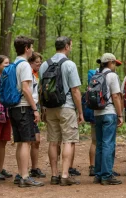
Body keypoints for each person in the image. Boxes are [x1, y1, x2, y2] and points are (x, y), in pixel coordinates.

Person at [39, 36, 84, 186]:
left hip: (50, 108)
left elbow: (41, 90)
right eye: (70, 45)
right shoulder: (69, 64)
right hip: (67, 107)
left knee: (53, 142)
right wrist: (80, 111)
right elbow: (75, 90)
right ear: (66, 46)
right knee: (68, 141)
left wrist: (42, 109)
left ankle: (54, 175)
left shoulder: (44, 65)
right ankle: (65, 175)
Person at [9, 36, 44, 187]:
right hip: (24, 107)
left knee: (20, 142)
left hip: (15, 108)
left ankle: (21, 174)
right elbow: (25, 89)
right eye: (32, 47)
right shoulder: (24, 65)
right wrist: (35, 109)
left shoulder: (14, 63)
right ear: (26, 48)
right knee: (26, 142)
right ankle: (24, 176)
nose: (33, 50)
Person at [92, 53, 123, 185]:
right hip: (109, 112)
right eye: (115, 63)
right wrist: (120, 114)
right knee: (108, 144)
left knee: (99, 144)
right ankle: (106, 175)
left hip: (97, 113)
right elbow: (115, 96)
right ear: (110, 63)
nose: (115, 66)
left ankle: (98, 174)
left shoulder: (95, 75)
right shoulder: (112, 76)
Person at [27, 52, 46, 178]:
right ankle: (23, 170)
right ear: (30, 62)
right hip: (28, 107)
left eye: (40, 62)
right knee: (28, 140)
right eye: (36, 62)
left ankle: (34, 168)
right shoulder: (27, 73)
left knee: (36, 140)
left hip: (35, 106)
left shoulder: (36, 74)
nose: (39, 64)